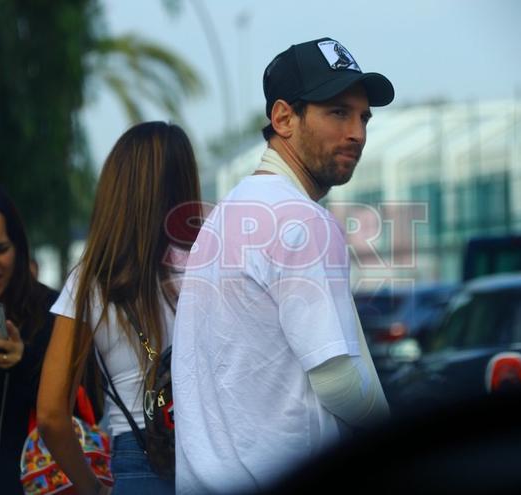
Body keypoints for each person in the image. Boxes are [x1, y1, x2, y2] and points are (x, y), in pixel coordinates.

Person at [172, 37, 394, 493]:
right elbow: (337, 382)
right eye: (338, 112)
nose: (357, 132)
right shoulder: (302, 220)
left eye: (363, 116)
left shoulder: (227, 214)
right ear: (283, 118)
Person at [36, 121, 202, 495]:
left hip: (139, 461)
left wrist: (93, 489)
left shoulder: (90, 281)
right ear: (183, 184)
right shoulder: (213, 264)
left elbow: (50, 414)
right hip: (217, 452)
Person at [0, 180, 58, 495]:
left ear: (19, 248)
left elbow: (85, 410)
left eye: (0, 249)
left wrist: (25, 363)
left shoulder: (54, 312)